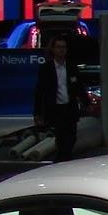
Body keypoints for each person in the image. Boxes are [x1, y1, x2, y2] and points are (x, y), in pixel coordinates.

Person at [33, 33, 85, 162]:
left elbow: (79, 87)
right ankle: (61, 160)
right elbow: (40, 91)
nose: (62, 50)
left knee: (71, 136)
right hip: (56, 108)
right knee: (61, 138)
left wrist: (86, 103)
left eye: (64, 47)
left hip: (70, 107)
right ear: (53, 49)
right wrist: (38, 113)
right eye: (59, 47)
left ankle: (65, 159)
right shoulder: (46, 68)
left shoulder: (71, 67)